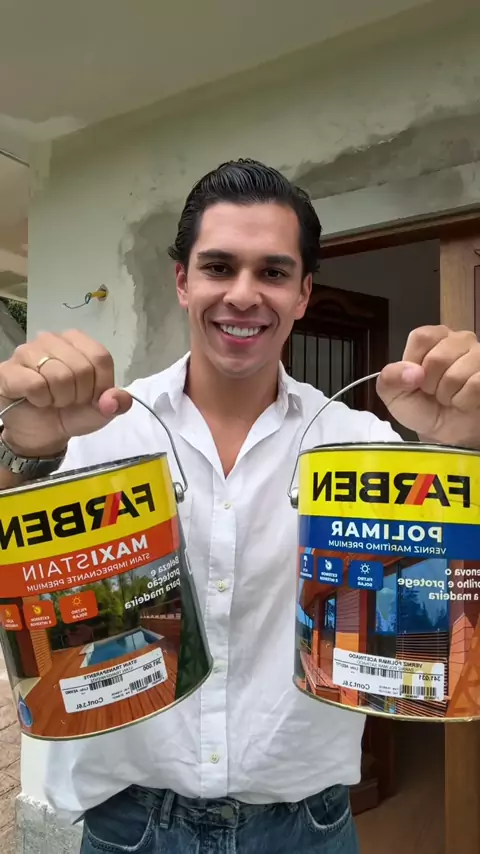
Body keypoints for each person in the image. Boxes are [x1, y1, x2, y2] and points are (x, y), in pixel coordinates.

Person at [0, 159, 480, 854]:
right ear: (182, 281)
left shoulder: (363, 446)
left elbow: (450, 593)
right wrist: (19, 448)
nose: (244, 294)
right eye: (219, 267)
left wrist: (467, 448)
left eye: (273, 272)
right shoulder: (95, 431)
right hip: (130, 829)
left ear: (304, 294)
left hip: (306, 828)